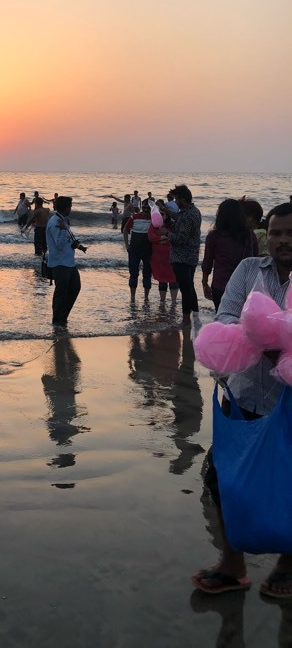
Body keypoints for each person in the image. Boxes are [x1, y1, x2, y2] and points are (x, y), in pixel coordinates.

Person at [192, 202, 292, 597]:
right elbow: (226, 317)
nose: (284, 240)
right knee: (222, 476)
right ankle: (232, 564)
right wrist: (264, 339)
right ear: (267, 235)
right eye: (278, 232)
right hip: (247, 393)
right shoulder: (250, 270)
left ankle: (288, 564)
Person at [201, 199, 258, 311]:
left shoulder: (214, 236)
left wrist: (204, 283)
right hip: (244, 287)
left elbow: (207, 263)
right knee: (242, 322)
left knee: (223, 319)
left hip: (220, 285)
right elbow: (255, 261)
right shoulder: (250, 236)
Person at [46, 195, 87, 329]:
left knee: (75, 287)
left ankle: (63, 316)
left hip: (69, 261)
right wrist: (63, 230)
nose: (71, 208)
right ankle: (57, 321)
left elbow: (67, 242)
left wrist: (76, 245)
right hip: (60, 263)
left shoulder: (63, 220)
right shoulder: (55, 222)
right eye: (70, 206)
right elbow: (58, 244)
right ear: (65, 208)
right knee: (61, 292)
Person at [167, 184, 202, 325]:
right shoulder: (192, 211)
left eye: (176, 199)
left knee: (185, 289)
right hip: (190, 257)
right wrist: (165, 211)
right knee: (189, 287)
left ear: (182, 199)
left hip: (183, 258)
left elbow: (181, 238)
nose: (175, 202)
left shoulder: (188, 215)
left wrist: (167, 234)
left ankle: (186, 319)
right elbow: (178, 217)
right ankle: (195, 315)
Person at [123, 199, 153, 300]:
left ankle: (146, 298)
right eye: (144, 207)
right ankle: (132, 297)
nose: (145, 209)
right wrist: (127, 245)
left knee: (147, 273)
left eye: (148, 207)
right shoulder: (134, 217)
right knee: (133, 273)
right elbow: (125, 230)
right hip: (134, 249)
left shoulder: (154, 219)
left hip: (149, 250)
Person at [147, 214, 178, 301]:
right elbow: (150, 237)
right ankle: (162, 301)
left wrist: (166, 238)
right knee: (162, 278)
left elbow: (177, 237)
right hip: (159, 257)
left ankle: (174, 302)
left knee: (173, 278)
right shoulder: (154, 224)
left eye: (163, 214)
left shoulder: (173, 224)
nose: (162, 216)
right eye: (160, 214)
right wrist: (161, 237)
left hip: (171, 255)